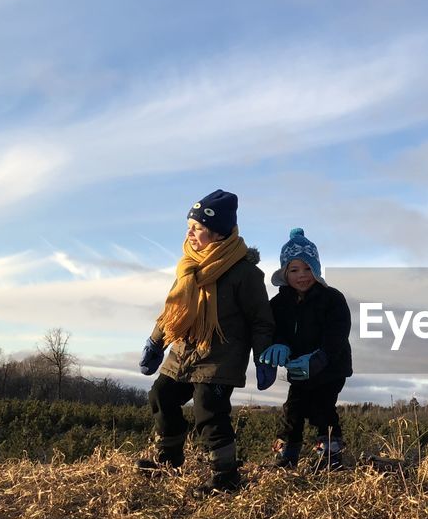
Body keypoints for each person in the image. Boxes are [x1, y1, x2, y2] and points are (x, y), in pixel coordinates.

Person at [137, 189, 276, 494]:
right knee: (161, 396)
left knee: (208, 407)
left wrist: (263, 355)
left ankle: (225, 475)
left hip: (221, 356)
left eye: (198, 227)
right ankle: (169, 459)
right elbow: (172, 310)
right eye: (190, 225)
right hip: (184, 351)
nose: (190, 232)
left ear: (218, 233)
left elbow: (260, 320)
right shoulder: (188, 267)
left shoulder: (245, 273)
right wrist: (156, 342)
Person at [258, 227, 353, 470]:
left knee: (323, 406)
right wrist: (278, 343)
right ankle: (288, 455)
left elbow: (338, 333)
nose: (302, 275)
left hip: (331, 366)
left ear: (317, 269)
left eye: (308, 268)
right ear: (284, 272)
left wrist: (321, 357)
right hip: (299, 368)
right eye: (294, 269)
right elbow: (273, 329)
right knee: (293, 409)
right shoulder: (278, 303)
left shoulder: (332, 298)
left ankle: (330, 456)